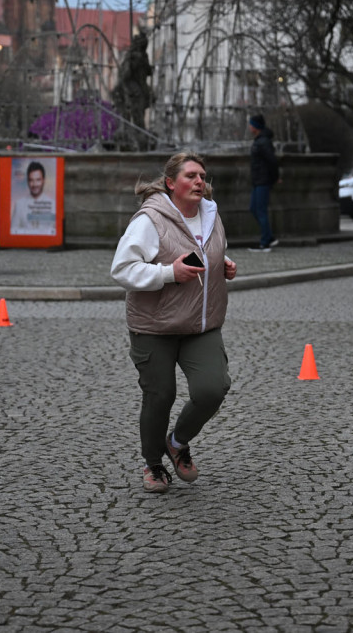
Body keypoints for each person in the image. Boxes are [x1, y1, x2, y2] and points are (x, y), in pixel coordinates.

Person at [110, 152, 237, 494]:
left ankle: (177, 442)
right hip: (155, 326)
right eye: (191, 175)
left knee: (213, 388)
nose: (200, 181)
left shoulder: (210, 212)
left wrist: (221, 262)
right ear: (170, 183)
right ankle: (153, 463)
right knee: (160, 395)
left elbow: (200, 248)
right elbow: (121, 269)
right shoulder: (150, 220)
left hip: (200, 324)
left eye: (202, 175)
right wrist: (169, 273)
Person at [247, 113, 280, 252]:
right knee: (254, 208)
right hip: (259, 180)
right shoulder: (260, 140)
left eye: (251, 124)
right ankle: (270, 238)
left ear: (256, 127)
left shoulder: (263, 141)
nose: (249, 127)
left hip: (263, 181)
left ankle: (265, 243)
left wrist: (275, 177)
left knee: (260, 210)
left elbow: (272, 161)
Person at [10, 161, 56, 235]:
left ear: (44, 180)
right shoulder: (19, 204)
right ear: (27, 181)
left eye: (38, 180)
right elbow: (14, 231)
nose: (34, 184)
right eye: (31, 180)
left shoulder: (54, 205)